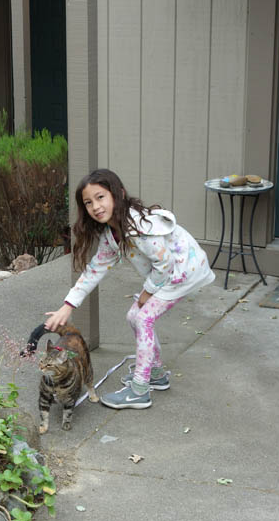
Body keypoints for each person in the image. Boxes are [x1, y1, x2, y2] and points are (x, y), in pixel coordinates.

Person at [44, 168, 215, 409]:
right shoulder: (111, 233)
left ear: (119, 194)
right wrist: (67, 306)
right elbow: (94, 270)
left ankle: (139, 391)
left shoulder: (137, 227)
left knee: (143, 318)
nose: (95, 206)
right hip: (168, 274)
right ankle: (156, 374)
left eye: (100, 197)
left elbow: (165, 263)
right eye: (88, 202)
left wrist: (147, 292)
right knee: (133, 316)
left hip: (183, 271)